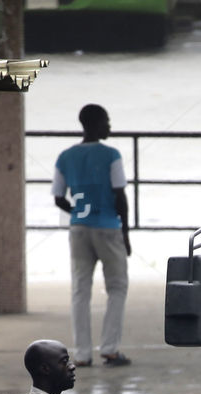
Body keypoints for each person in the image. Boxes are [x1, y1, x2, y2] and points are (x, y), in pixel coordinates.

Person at [53, 104, 131, 368]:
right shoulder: (111, 155)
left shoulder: (65, 156)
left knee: (80, 290)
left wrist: (76, 211)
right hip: (107, 226)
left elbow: (58, 197)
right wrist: (126, 233)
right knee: (117, 287)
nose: (109, 126)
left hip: (78, 228)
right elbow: (120, 196)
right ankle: (109, 349)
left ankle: (83, 354)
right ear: (96, 123)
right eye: (106, 122)